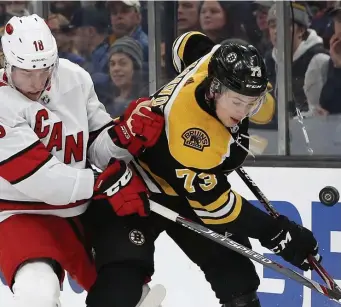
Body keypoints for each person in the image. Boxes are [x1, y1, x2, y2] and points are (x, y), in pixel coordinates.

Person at [96, 31, 321, 307]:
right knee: (120, 284)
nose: (243, 112)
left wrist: (203, 51)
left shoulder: (214, 61)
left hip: (186, 186)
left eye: (251, 103)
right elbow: (216, 208)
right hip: (136, 186)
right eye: (237, 102)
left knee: (237, 279)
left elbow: (184, 43)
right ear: (214, 89)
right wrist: (275, 232)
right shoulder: (191, 136)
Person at [0, 14, 163, 307]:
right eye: (26, 72)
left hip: (81, 207)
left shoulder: (74, 77)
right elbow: (41, 178)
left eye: (45, 70)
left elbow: (96, 144)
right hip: (20, 211)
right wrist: (104, 183)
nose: (37, 82)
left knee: (126, 293)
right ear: (7, 62)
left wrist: (124, 137)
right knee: (36, 293)